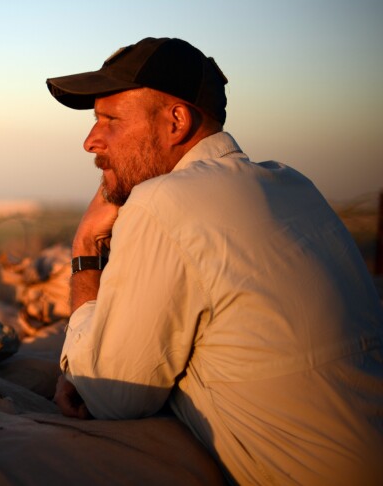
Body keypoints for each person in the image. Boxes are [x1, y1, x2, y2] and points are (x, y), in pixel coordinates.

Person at [46, 37, 383, 486]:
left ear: (176, 121)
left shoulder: (163, 202)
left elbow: (108, 395)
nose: (91, 141)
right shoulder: (293, 184)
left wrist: (86, 244)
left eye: (109, 120)